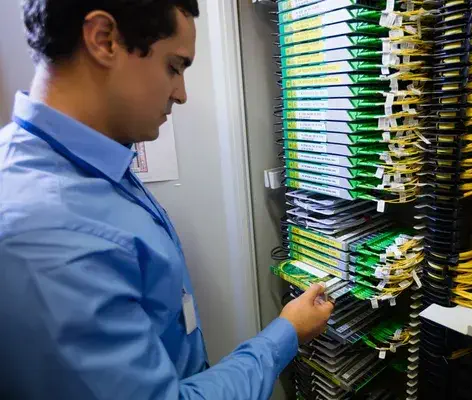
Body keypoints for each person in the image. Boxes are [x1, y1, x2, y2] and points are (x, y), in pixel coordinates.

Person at [0, 1, 334, 399]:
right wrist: (287, 334)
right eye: (174, 67)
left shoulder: (95, 162)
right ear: (104, 39)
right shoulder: (46, 231)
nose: (182, 94)